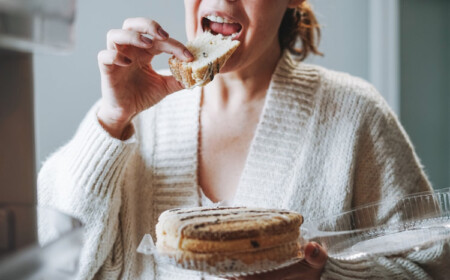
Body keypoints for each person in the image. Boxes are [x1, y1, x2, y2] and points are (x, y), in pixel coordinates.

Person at [37, 0, 444, 279]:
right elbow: (57, 263)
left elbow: (431, 268)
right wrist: (111, 118)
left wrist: (329, 276)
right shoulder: (130, 118)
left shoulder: (355, 115)